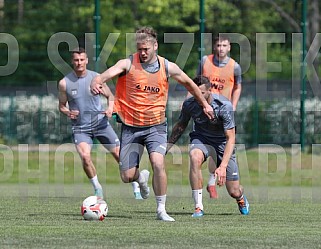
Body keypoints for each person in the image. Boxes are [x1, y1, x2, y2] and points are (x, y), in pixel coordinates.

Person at [90, 27, 214, 222]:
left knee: (158, 162)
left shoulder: (167, 66)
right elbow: (102, 76)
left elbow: (190, 84)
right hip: (130, 126)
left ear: (155, 46)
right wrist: (95, 82)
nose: (143, 52)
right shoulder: (127, 63)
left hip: (156, 126)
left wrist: (205, 104)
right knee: (126, 176)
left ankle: (161, 210)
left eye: (146, 48)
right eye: (140, 48)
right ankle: (141, 178)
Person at [58, 47, 142, 200]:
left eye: (82, 59)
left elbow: (111, 97)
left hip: (101, 125)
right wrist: (67, 112)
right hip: (81, 128)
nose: (79, 63)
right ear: (72, 61)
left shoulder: (96, 77)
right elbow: (61, 106)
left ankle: (135, 185)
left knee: (119, 155)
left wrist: (110, 109)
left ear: (87, 60)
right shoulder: (64, 83)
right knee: (85, 156)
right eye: (76, 60)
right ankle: (97, 188)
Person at [167, 75, 249, 217]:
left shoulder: (224, 106)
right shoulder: (189, 104)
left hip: (223, 143)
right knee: (194, 156)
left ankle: (241, 199)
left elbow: (231, 138)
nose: (198, 96)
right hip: (201, 139)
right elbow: (181, 126)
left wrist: (222, 167)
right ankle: (198, 206)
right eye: (195, 92)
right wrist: (166, 146)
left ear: (210, 90)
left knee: (234, 191)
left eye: (202, 93)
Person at [198, 34, 242, 198]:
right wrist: (189, 100)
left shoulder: (234, 66)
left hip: (224, 112)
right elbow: (196, 83)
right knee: (208, 145)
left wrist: (234, 105)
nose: (221, 48)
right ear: (214, 47)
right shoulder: (205, 61)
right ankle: (210, 182)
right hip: (206, 111)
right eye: (218, 45)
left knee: (222, 145)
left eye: (224, 45)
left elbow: (237, 87)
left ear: (229, 47)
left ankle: (213, 179)